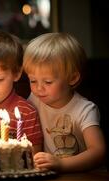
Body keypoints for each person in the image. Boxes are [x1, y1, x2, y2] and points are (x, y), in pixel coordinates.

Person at [23, 32, 106, 173]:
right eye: (33, 80)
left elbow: (98, 151)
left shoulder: (84, 109)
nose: (38, 88)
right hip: (51, 178)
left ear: (72, 78)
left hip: (87, 179)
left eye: (48, 81)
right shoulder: (34, 99)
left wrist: (61, 164)